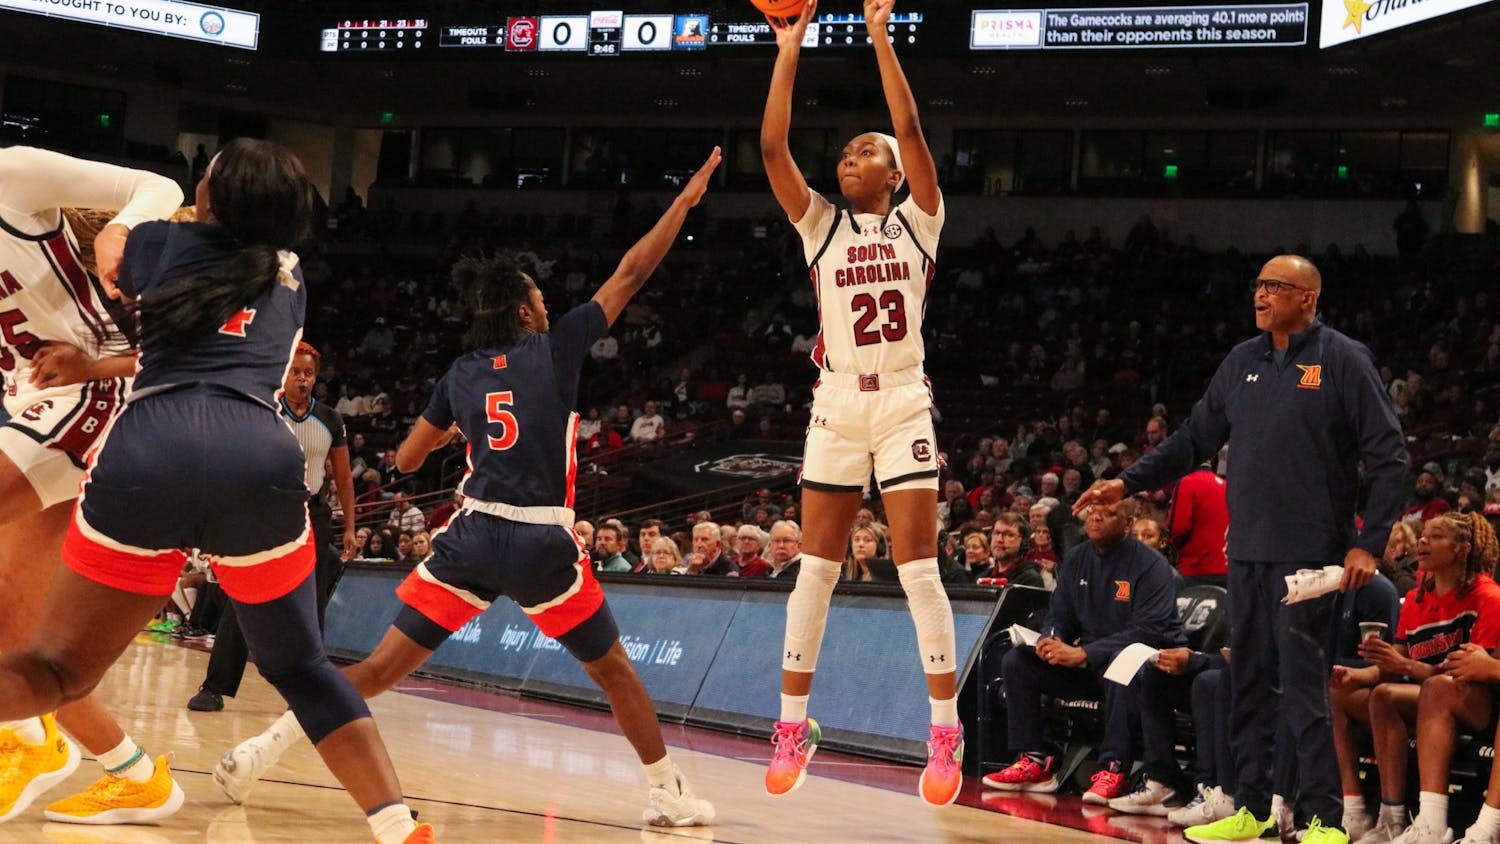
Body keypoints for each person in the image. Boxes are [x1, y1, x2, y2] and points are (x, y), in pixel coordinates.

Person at [212, 148, 722, 829]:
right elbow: (632, 271)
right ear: (523, 309)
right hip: (539, 539)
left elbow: (405, 458)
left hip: (473, 537)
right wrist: (684, 202)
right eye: (539, 298)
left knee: (379, 670)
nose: (547, 305)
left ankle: (260, 750)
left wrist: (457, 431)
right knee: (616, 674)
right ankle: (669, 793)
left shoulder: (462, 372)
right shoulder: (559, 346)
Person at [0, 139, 432, 843]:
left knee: (53, 666)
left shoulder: (159, 246)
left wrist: (111, 241)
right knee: (302, 667)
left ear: (206, 199)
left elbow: (120, 267)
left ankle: (61, 745)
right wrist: (96, 353)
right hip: (254, 458)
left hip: (147, 452)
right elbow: (195, 335)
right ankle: (398, 828)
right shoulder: (288, 273)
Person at [1074, 254, 1407, 844]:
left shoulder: (1343, 359)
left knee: (1304, 689)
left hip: (1310, 556)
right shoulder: (1241, 360)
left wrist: (1369, 543)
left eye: (1276, 287)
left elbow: (1389, 454)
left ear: (1307, 297)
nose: (1261, 295)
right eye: (1258, 285)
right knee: (1244, 682)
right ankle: (1251, 808)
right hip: (1246, 554)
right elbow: (1194, 438)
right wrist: (1127, 481)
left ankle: (1324, 820)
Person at [760, 0, 962, 807]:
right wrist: (789, 47)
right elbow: (773, 146)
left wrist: (880, 35)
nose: (850, 159)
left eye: (864, 152)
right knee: (814, 571)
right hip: (838, 404)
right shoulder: (820, 226)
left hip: (904, 401)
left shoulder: (920, 220)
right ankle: (792, 723)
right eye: (844, 152)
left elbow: (911, 127)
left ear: (895, 173)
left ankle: (943, 733)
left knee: (919, 573)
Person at [0, 147, 187, 825]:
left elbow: (160, 184)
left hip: (93, 387)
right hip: (29, 406)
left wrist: (120, 230)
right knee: (18, 640)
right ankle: (134, 775)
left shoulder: (11, 174)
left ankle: (25, 737)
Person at [188, 340, 360, 712]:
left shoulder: (330, 418)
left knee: (311, 609)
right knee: (243, 599)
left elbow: (344, 479)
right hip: (261, 512)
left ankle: (310, 692)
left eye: (309, 373)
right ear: (284, 374)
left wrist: (349, 525)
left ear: (316, 378)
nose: (303, 378)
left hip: (312, 515)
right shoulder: (261, 409)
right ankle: (215, 686)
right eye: (296, 372)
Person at [982, 500, 1185, 803]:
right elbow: (1060, 613)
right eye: (1093, 510)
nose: (1097, 516)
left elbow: (1148, 630)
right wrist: (1052, 639)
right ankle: (1036, 761)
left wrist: (1085, 653)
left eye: (1108, 512)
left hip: (1136, 670)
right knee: (1018, 661)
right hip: (1088, 667)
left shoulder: (1152, 566)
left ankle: (1114, 769)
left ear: (1128, 524)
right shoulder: (1077, 558)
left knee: (1124, 663)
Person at [1333, 513, 1500, 844]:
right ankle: (1377, 815)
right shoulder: (1414, 600)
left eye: (1436, 536)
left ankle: (1433, 823)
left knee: (1437, 687)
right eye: (1423, 535)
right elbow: (1394, 667)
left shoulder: (1487, 596)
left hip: (1475, 702)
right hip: (1429, 697)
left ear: (1461, 549)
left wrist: (1410, 668)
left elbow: (1473, 672)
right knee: (1352, 693)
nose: (1423, 541)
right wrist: (1357, 673)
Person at [1167, 460, 1230, 587]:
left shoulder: (1187, 482)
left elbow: (1178, 528)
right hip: (1227, 569)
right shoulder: (1226, 485)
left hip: (1196, 569)